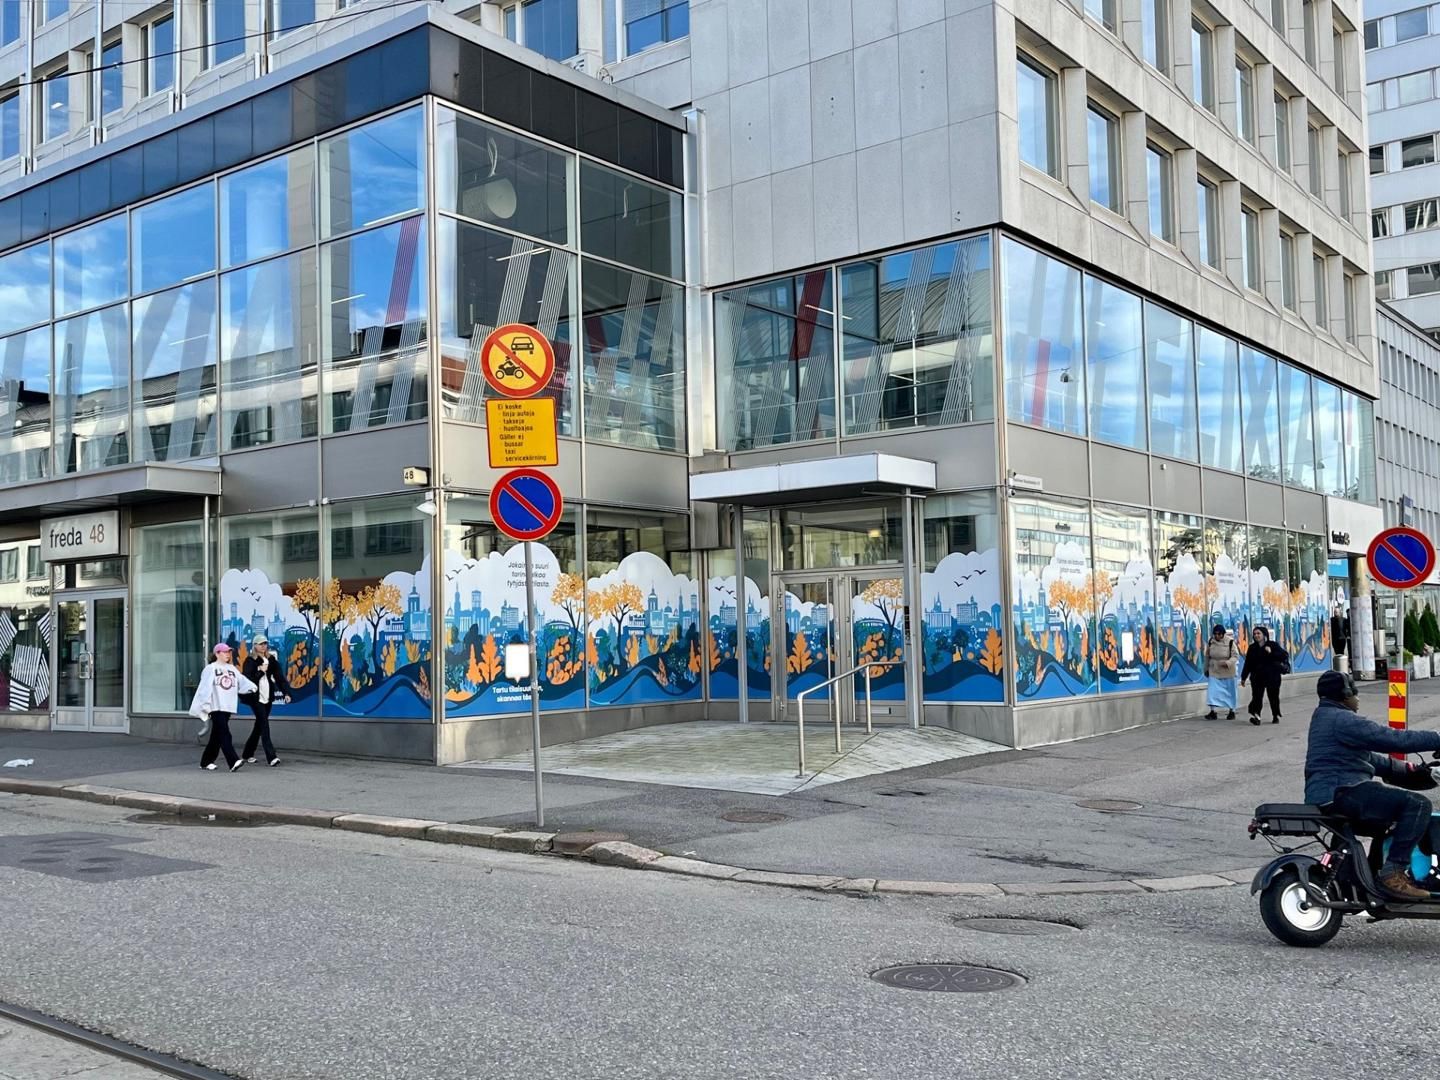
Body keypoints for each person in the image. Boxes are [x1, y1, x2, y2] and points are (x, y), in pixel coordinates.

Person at [1305, 670, 1440, 900]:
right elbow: (1393, 739)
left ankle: (1374, 878)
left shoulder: (1328, 718)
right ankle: (1393, 875)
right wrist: (1437, 739)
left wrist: (1422, 773)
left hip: (1336, 791)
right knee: (1418, 805)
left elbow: (1373, 761)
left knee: (1392, 821)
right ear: (1345, 694)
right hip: (1341, 791)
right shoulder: (1341, 719)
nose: (1358, 699)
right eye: (1355, 693)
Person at [189, 643, 258, 773]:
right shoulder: (210, 669)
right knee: (225, 733)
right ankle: (233, 761)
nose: (228, 654)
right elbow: (204, 688)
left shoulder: (232, 668)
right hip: (216, 706)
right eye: (225, 652)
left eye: (229, 652)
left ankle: (206, 761)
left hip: (228, 705)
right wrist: (205, 705)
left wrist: (252, 687)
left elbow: (241, 680)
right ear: (217, 653)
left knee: (217, 735)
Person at [240, 634, 291, 767]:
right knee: (264, 725)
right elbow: (248, 681)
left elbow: (279, 677)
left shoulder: (271, 660)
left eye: (265, 644)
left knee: (259, 725)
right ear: (255, 646)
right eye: (260, 644)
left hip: (267, 697)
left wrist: (286, 692)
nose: (263, 646)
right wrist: (260, 671)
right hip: (255, 698)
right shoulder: (250, 661)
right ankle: (271, 757)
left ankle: (247, 754)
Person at [1240, 626, 1289, 726]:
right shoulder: (1252, 648)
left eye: (1258, 633)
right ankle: (1257, 717)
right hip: (1257, 677)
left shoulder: (1272, 645)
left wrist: (1271, 652)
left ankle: (1275, 715)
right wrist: (1243, 677)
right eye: (1255, 634)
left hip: (1272, 676)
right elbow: (1248, 663)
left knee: (1273, 697)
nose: (1256, 635)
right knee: (1257, 697)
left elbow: (1284, 655)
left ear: (1264, 634)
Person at [1203, 624, 1238, 720]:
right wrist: (1206, 669)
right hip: (1214, 670)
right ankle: (1212, 711)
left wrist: (1228, 663)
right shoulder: (1211, 642)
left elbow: (1235, 656)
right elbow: (1207, 656)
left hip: (1228, 671)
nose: (1217, 636)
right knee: (1212, 691)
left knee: (1230, 692)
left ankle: (1232, 711)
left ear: (1223, 634)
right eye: (1215, 634)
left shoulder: (1230, 642)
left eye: (1219, 634)